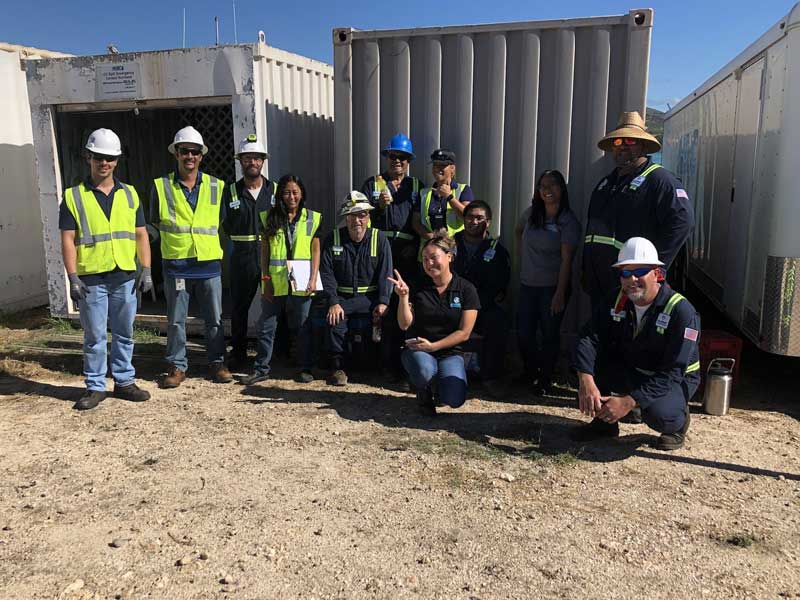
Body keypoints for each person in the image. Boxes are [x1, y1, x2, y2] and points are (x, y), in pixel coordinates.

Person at [573, 237, 701, 451]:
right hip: (636, 367)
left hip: (672, 378)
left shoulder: (681, 311)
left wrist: (629, 401)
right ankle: (604, 425)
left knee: (658, 413)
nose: (632, 279)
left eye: (640, 271)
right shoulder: (616, 299)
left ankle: (677, 423)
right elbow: (589, 336)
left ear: (657, 274)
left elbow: (673, 372)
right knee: (586, 362)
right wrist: (585, 379)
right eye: (625, 272)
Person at [59, 128, 152, 410]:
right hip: (92, 278)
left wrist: (146, 269)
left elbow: (140, 234)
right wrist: (72, 276)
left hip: (124, 275)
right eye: (99, 157)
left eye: (110, 158)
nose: (104, 163)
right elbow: (67, 239)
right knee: (95, 336)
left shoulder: (130, 194)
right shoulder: (74, 196)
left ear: (117, 161)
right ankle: (96, 386)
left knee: (125, 332)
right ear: (88, 157)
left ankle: (124, 381)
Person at [582, 111, 694, 308]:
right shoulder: (606, 183)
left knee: (630, 336)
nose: (623, 146)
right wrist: (586, 269)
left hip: (632, 286)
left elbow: (682, 222)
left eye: (630, 141)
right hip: (600, 285)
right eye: (618, 142)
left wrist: (651, 269)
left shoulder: (660, 181)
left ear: (643, 145)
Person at [149, 126, 232, 388]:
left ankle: (217, 362)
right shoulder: (160, 187)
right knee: (175, 321)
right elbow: (152, 224)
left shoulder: (217, 186)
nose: (190, 157)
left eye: (195, 152)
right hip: (177, 266)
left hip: (208, 265)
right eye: (185, 151)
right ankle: (177, 365)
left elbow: (220, 222)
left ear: (201, 156)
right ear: (176, 153)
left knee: (215, 319)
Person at [241, 174, 321, 385]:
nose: (291, 196)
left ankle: (304, 368)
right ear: (280, 195)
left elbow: (316, 250)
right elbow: (265, 252)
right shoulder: (269, 217)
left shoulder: (313, 218)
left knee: (302, 326)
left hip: (302, 280)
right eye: (286, 192)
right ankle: (261, 369)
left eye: (295, 192)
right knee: (267, 326)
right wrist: (265, 279)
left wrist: (313, 278)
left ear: (302, 193)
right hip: (275, 280)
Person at [391, 234, 480, 416]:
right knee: (424, 370)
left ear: (449, 256)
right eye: (425, 259)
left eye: (434, 257)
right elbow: (404, 324)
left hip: (450, 352)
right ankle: (423, 391)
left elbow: (464, 333)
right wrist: (403, 297)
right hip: (419, 350)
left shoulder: (466, 289)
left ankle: (441, 386)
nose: (429, 263)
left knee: (454, 400)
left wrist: (434, 347)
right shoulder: (417, 286)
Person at [360, 134, 423, 381]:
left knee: (406, 308)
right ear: (387, 157)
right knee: (382, 305)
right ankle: (384, 365)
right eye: (393, 156)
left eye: (403, 157)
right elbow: (360, 219)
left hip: (408, 253)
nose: (398, 161)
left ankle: (407, 365)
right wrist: (380, 207)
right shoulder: (372, 184)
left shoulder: (416, 186)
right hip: (380, 249)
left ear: (408, 161)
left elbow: (420, 220)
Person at [514, 170, 580, 394]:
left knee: (549, 335)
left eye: (552, 185)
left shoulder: (567, 221)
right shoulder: (532, 213)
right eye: (542, 185)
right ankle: (530, 371)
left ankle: (545, 379)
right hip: (528, 285)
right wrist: (524, 259)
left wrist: (560, 293)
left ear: (562, 189)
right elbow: (518, 231)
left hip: (552, 288)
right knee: (524, 332)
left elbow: (567, 259)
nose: (547, 190)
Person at [320, 192, 393, 386]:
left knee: (389, 322)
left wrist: (384, 302)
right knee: (335, 322)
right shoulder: (333, 238)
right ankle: (338, 368)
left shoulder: (380, 239)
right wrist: (333, 302)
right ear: (346, 218)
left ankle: (385, 367)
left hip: (371, 298)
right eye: (352, 216)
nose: (357, 220)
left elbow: (387, 274)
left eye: (362, 215)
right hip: (342, 298)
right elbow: (326, 274)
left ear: (368, 217)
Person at [221, 134, 276, 371]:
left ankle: (276, 353)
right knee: (239, 307)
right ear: (240, 161)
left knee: (273, 305)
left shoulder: (275, 190)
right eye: (247, 158)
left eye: (256, 158)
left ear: (263, 161)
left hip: (271, 256)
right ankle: (239, 352)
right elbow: (221, 223)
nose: (252, 162)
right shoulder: (230, 191)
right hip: (241, 256)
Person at [452, 200, 511, 396]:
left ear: (489, 222)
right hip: (452, 304)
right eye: (469, 217)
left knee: (498, 321)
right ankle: (434, 376)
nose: (473, 221)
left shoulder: (497, 250)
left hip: (481, 307)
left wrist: (474, 307)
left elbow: (498, 286)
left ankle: (491, 378)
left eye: (479, 218)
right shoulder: (449, 244)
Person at [411, 149, 474, 260]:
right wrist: (431, 237)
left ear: (452, 168)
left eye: (443, 165)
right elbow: (415, 222)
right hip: (430, 254)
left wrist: (449, 197)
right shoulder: (424, 193)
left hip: (455, 251)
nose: (438, 168)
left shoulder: (463, 189)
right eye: (435, 165)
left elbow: (468, 217)